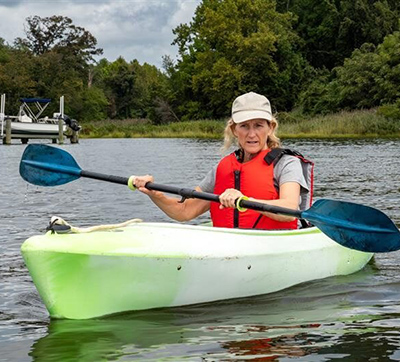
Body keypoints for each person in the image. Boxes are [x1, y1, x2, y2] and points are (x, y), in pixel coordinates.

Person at [131, 92, 313, 229]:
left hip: (273, 245)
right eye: (244, 126)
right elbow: (185, 211)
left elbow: (290, 210)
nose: (251, 134)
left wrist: (244, 199)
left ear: (270, 127)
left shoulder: (286, 163)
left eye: (258, 125)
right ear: (234, 129)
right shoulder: (223, 167)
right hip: (228, 248)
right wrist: (154, 193)